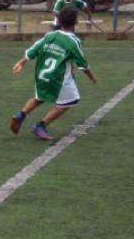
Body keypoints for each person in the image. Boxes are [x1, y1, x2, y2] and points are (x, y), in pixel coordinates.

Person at [11, 8, 97, 141]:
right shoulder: (73, 41)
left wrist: (21, 63)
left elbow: (33, 49)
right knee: (69, 101)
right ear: (76, 22)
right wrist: (92, 77)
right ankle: (41, 125)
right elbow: (82, 63)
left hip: (42, 76)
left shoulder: (50, 35)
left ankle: (20, 115)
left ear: (59, 22)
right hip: (59, 78)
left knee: (40, 97)